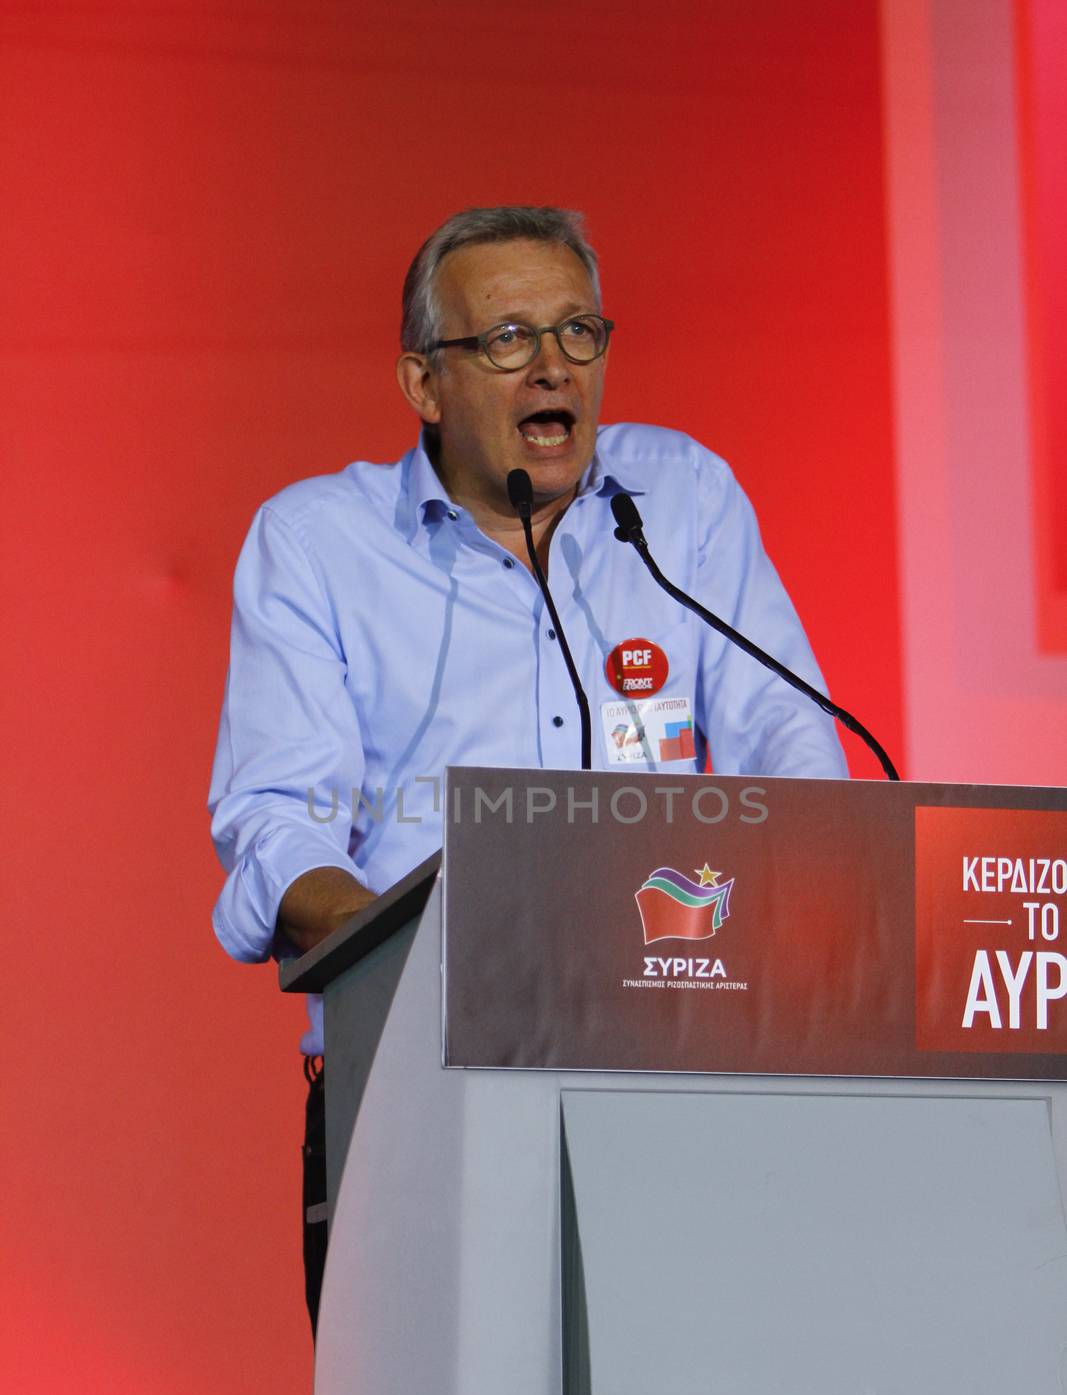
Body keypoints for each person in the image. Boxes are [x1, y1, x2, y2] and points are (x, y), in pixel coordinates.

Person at [208, 205, 847, 1329]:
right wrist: (416, 959)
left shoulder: (679, 500)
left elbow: (791, 743)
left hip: (679, 1071)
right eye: (507, 340)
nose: (553, 367)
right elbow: (275, 828)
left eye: (578, 334)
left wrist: (813, 888)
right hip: (423, 1087)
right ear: (422, 381)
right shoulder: (318, 546)